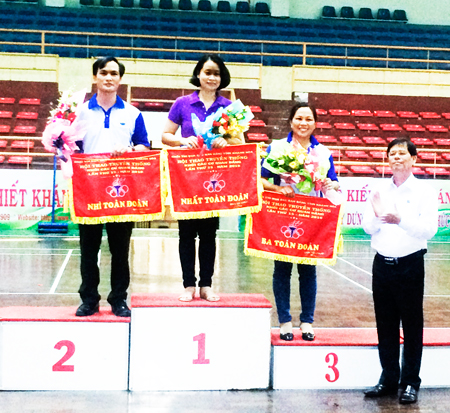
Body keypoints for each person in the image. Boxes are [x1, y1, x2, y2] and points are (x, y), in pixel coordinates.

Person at [162, 54, 244, 302]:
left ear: (222, 78)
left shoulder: (229, 108)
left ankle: (206, 285)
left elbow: (240, 142)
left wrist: (225, 141)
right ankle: (188, 285)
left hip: (214, 180)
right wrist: (181, 140)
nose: (212, 77)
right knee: (186, 234)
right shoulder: (182, 103)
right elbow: (165, 135)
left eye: (216, 73)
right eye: (207, 72)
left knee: (209, 234)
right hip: (187, 178)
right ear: (198, 74)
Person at [362, 138, 438, 404]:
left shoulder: (425, 192)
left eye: (402, 154)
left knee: (412, 324)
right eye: (392, 153)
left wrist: (400, 220)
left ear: (414, 159)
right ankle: (388, 378)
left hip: (410, 265)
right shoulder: (378, 189)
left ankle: (410, 382)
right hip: (382, 264)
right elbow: (367, 228)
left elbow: (429, 229)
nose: (396, 158)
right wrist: (375, 218)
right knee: (385, 324)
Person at [75, 56, 150, 317]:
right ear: (95, 76)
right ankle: (89, 299)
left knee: (120, 250)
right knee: (88, 249)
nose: (109, 78)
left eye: (114, 73)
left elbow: (144, 146)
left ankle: (118, 299)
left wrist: (129, 149)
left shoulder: (132, 113)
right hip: (89, 191)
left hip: (121, 192)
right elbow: (71, 147)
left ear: (120, 79)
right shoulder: (79, 112)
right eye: (103, 73)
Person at [260, 102, 340, 341]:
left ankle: (307, 321)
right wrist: (278, 187)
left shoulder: (324, 153)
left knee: (308, 271)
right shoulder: (277, 148)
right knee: (282, 270)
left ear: (315, 123)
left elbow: (335, 183)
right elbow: (261, 179)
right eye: (299, 118)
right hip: (282, 213)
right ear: (291, 121)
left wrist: (329, 184)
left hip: (311, 216)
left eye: (308, 119)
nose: (303, 123)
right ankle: (284, 321)